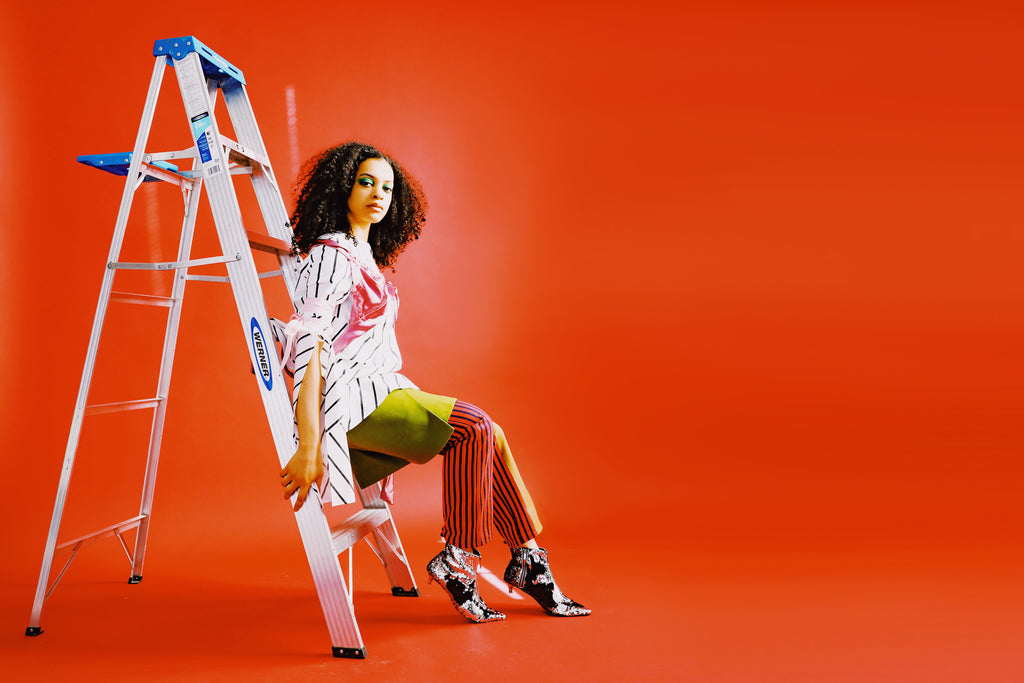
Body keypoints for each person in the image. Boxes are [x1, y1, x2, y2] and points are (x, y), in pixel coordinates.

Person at [278, 141, 589, 622]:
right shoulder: (330, 256)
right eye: (365, 182)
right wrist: (309, 444)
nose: (378, 194)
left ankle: (529, 560)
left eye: (387, 187)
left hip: (380, 388)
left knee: (493, 434)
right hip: (349, 403)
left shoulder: (360, 252)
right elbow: (307, 345)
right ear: (342, 187)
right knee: (475, 427)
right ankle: (459, 559)